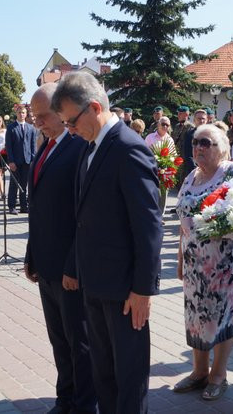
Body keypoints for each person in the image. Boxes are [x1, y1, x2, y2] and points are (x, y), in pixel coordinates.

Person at [53, 72, 162, 413]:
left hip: (126, 292)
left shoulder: (128, 148)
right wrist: (75, 268)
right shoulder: (91, 148)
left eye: (71, 121)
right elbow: (85, 219)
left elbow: (148, 226)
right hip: (95, 285)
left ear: (95, 108)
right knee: (104, 377)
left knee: (128, 380)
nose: (68, 130)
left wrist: (143, 290)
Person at [25, 83, 96, 413]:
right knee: (59, 342)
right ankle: (65, 399)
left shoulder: (78, 148)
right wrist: (31, 254)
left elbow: (83, 216)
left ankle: (83, 404)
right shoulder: (47, 146)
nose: (35, 121)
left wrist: (74, 266)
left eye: (41, 115)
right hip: (47, 266)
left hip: (69, 269)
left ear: (60, 110)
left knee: (79, 343)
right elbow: (39, 207)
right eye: (33, 114)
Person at [174, 124, 233, 400]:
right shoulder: (191, 177)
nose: (198, 147)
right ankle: (199, 371)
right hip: (194, 264)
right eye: (196, 142)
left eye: (206, 142)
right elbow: (182, 223)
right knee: (196, 317)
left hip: (224, 263)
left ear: (222, 147)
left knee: (222, 316)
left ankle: (218, 375)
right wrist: (180, 257)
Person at [5, 106, 37, 214]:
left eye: (23, 113)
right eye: (19, 113)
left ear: (26, 114)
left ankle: (24, 206)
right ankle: (12, 206)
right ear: (16, 114)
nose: (21, 114)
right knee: (14, 184)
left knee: (24, 184)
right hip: (15, 161)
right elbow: (8, 146)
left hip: (27, 161)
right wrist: (11, 161)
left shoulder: (31, 128)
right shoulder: (11, 127)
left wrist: (33, 159)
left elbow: (33, 145)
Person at [180, 109, 208, 179]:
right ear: (194, 121)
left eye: (203, 119)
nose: (201, 121)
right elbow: (188, 154)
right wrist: (195, 169)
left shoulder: (212, 134)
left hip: (209, 169)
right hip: (194, 170)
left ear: (206, 120)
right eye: (199, 119)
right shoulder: (189, 134)